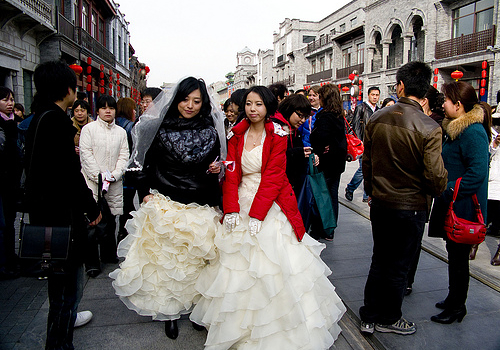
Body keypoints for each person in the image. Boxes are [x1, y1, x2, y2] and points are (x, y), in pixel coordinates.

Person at [191, 86, 346, 350]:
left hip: (270, 201)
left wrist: (257, 214)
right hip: (241, 198)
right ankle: (233, 322)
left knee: (274, 265)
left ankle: (278, 324)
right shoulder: (235, 134)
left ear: (268, 107)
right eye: (249, 104)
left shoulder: (279, 134)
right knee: (234, 265)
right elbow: (231, 173)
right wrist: (230, 208)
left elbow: (274, 176)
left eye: (259, 104)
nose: (252, 109)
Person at [109, 77, 226, 340]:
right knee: (167, 264)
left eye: (197, 101)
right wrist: (146, 194)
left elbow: (218, 163)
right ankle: (170, 313)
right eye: (185, 99)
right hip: (167, 201)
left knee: (198, 262)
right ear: (175, 100)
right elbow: (138, 163)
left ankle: (198, 309)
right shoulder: (157, 126)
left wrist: (216, 169)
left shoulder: (211, 127)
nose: (190, 105)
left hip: (201, 202)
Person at [359, 61, 447, 335]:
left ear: (400, 86)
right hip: (410, 206)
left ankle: (369, 316)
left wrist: (373, 191)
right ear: (424, 91)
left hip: (381, 202)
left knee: (379, 259)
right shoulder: (429, 127)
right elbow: (435, 176)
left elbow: (368, 163)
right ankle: (389, 317)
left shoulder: (377, 118)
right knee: (399, 265)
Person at [24, 60, 101, 350]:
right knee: (67, 288)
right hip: (62, 219)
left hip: (45, 214)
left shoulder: (38, 118)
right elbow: (70, 174)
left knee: (58, 287)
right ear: (66, 89)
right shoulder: (56, 121)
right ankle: (59, 344)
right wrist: (92, 209)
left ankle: (58, 337)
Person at [427, 81, 489, 324]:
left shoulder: (473, 131)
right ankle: (453, 298)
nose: (443, 104)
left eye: (446, 100)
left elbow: (477, 172)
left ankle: (457, 307)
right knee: (454, 256)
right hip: (452, 203)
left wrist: (449, 189)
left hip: (462, 206)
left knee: (460, 260)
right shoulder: (455, 129)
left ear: (459, 105)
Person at [79, 95, 129, 278]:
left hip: (113, 184)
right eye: (103, 108)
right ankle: (92, 263)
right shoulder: (89, 130)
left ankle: (108, 255)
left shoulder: (121, 132)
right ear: (97, 110)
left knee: (110, 221)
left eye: (111, 108)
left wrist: (114, 175)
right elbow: (85, 155)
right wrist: (99, 176)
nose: (108, 111)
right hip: (92, 183)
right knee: (92, 223)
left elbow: (124, 156)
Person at [404, 84, 446, 296]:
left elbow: (434, 169)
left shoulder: (435, 125)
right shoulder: (411, 119)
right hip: (407, 191)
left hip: (420, 193)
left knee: (414, 238)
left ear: (423, 100)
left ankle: (407, 278)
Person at [310, 84, 347, 240]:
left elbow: (319, 137)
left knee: (322, 195)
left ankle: (322, 228)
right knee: (332, 195)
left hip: (326, 162)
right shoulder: (339, 114)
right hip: (337, 162)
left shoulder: (325, 116)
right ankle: (330, 229)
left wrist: (317, 143)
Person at [274, 93, 318, 195]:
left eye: (305, 117)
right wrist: (298, 153)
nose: (302, 120)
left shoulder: (295, 130)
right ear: (289, 109)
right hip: (279, 185)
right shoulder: (276, 127)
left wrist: (310, 156)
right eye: (300, 115)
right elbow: (275, 156)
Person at [0, 86, 22, 279]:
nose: (10, 103)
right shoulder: (3, 125)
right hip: (2, 183)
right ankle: (3, 262)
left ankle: (9, 257)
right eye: (5, 100)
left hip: (12, 184)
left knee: (9, 223)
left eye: (11, 99)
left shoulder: (13, 123)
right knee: (3, 224)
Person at [345, 86, 380, 203]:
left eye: (377, 95)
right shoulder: (361, 107)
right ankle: (350, 188)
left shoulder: (379, 110)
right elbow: (355, 126)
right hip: (363, 143)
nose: (375, 97)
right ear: (368, 95)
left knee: (370, 169)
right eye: (373, 95)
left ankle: (366, 194)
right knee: (363, 169)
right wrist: (360, 143)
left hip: (375, 144)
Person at [115, 97, 138, 243]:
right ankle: (125, 233)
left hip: (113, 170)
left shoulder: (112, 125)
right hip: (128, 171)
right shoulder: (131, 127)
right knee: (128, 204)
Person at [488, 109, 500, 266]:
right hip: (493, 180)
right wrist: (495, 145)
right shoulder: (492, 132)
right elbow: (487, 154)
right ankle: (474, 244)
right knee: (486, 214)